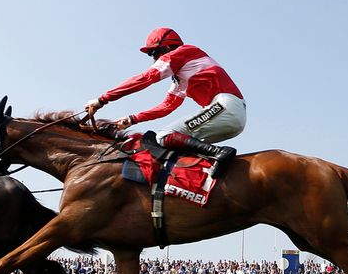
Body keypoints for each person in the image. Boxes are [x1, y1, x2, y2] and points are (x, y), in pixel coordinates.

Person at [85, 27, 246, 178]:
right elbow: (167, 106)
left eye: (154, 53)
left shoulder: (183, 52)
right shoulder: (183, 75)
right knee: (176, 147)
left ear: (168, 47)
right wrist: (132, 119)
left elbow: (146, 78)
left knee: (165, 135)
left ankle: (220, 152)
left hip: (225, 106)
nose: (154, 58)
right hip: (230, 116)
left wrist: (102, 99)